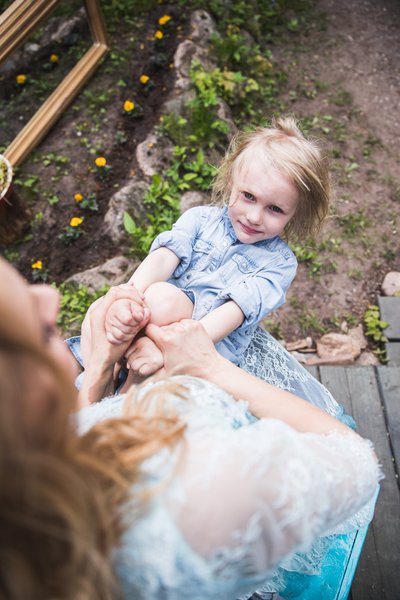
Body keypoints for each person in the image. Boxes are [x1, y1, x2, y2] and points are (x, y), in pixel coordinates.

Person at [0, 257, 381, 599]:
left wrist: (99, 370)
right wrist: (209, 367)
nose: (48, 294)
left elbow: (76, 433)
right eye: (41, 332)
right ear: (27, 397)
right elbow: (357, 462)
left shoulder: (28, 474)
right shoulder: (191, 488)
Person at [81, 117, 330, 382]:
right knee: (101, 311)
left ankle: (121, 397)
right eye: (248, 196)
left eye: (275, 209)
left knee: (160, 311)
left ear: (295, 213)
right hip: (156, 316)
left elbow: (233, 313)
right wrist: (128, 298)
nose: (255, 216)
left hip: (205, 342)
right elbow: (164, 256)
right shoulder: (200, 219)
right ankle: (103, 375)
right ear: (231, 182)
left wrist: (171, 351)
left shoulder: (279, 263)